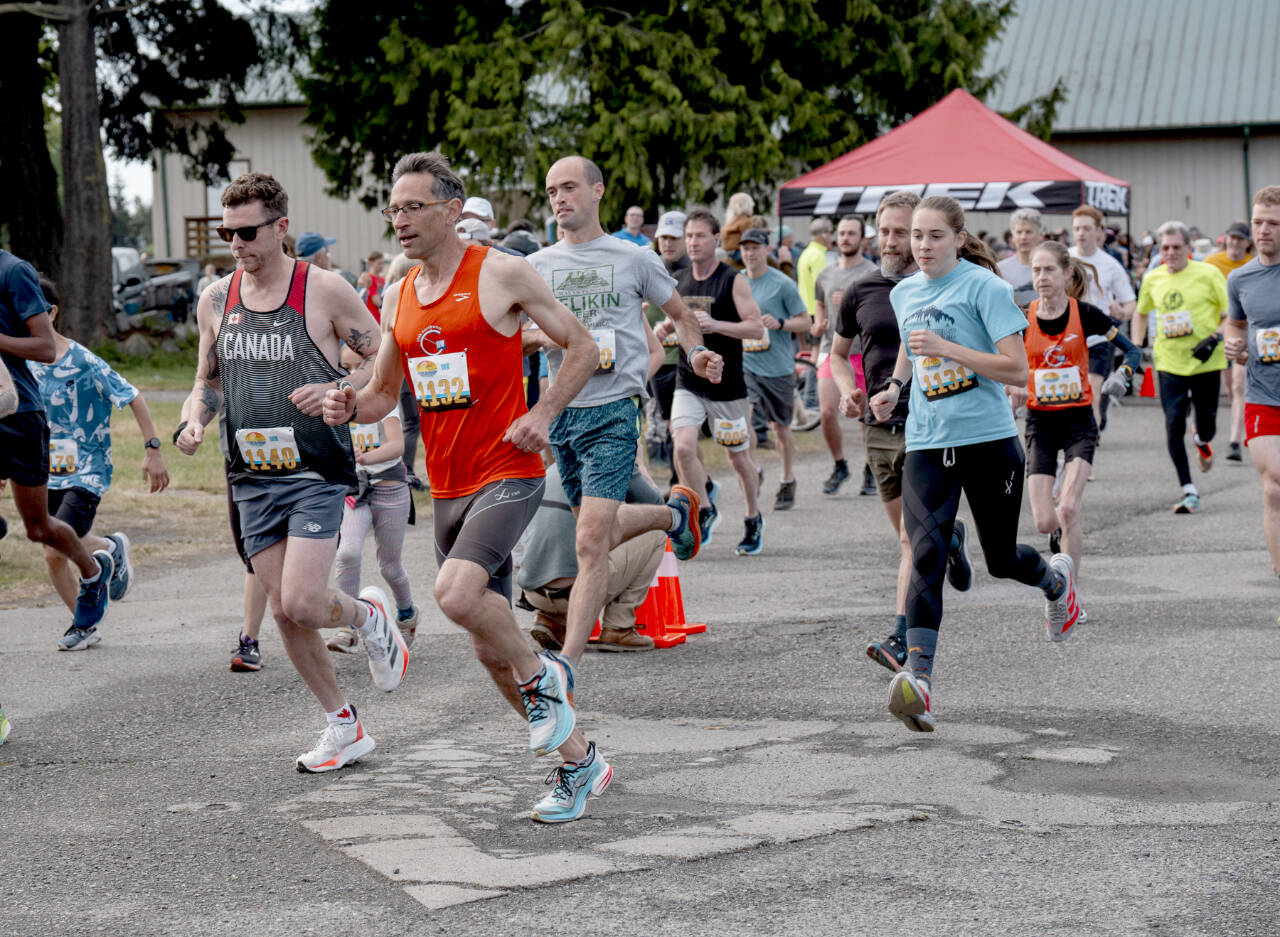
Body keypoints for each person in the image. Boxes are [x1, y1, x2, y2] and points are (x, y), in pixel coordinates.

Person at [324, 150, 615, 822]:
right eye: (393, 208)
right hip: (447, 485)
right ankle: (582, 763)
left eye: (413, 206)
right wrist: (347, 403)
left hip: (507, 470)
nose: (400, 219)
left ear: (452, 210)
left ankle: (545, 684)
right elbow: (383, 395)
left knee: (455, 595)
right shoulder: (396, 296)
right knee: (488, 647)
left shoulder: (501, 273)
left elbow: (583, 346)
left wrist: (543, 413)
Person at [176, 171, 408, 774]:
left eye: (247, 231)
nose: (236, 244)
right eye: (227, 233)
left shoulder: (325, 289)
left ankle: (370, 616)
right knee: (283, 610)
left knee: (303, 603)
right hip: (251, 476)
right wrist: (193, 420)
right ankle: (343, 725)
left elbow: (381, 364)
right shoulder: (215, 298)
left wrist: (340, 389)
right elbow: (207, 379)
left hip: (315, 470)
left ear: (281, 228)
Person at [868, 195, 1080, 733]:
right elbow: (911, 354)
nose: (922, 246)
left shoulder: (986, 288)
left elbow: (1016, 369)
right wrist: (895, 388)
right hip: (925, 441)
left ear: (959, 238)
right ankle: (921, 683)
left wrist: (950, 347)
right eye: (916, 236)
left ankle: (1056, 584)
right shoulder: (905, 292)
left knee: (1003, 558)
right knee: (924, 554)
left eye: (934, 236)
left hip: (988, 441)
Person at [529, 155, 720, 673]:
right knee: (593, 531)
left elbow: (680, 316)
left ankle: (567, 661)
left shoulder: (633, 258)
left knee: (591, 539)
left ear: (597, 191)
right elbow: (517, 336)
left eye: (569, 187)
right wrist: (556, 339)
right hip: (562, 413)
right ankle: (674, 514)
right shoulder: (538, 265)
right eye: (551, 191)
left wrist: (697, 354)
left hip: (614, 410)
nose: (559, 198)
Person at [833, 191, 974, 673]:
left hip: (929, 424)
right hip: (878, 426)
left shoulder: (940, 286)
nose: (895, 241)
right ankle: (950, 538)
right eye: (888, 231)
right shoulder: (860, 290)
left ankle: (901, 637)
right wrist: (847, 388)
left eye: (905, 232)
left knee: (913, 542)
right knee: (906, 537)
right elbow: (835, 353)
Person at [30, 276, 171, 629]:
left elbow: (133, 395)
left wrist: (152, 449)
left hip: (87, 470)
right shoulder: (22, 364)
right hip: (45, 470)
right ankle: (102, 569)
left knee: (55, 548)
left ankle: (83, 624)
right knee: (58, 552)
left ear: (51, 312)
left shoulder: (83, 361)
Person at [1008, 241, 1140, 603]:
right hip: (1040, 424)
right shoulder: (1021, 317)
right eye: (1036, 270)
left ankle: (1070, 597)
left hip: (1080, 421)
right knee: (1044, 522)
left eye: (1049, 269)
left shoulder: (1087, 314)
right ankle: (1056, 542)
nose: (1042, 277)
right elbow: (1002, 360)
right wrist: (1011, 386)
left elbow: (1131, 349)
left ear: (1067, 273)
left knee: (1068, 509)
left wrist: (1123, 375)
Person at [0, 248, 114, 649]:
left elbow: (45, 349)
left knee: (38, 528)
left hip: (18, 415)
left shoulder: (13, 272)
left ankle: (92, 573)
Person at [661, 209, 766, 555]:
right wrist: (665, 329)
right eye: (689, 236)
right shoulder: (678, 280)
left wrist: (717, 325)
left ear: (716, 240)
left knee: (738, 458)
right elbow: (673, 320)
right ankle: (705, 508)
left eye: (700, 236)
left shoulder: (732, 279)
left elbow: (755, 327)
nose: (692, 242)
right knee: (683, 448)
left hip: (727, 385)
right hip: (688, 380)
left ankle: (752, 516)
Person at [326, 345, 419, 654]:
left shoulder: (384, 403)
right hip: (355, 493)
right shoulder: (338, 406)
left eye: (358, 367)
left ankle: (407, 613)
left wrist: (365, 458)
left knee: (390, 566)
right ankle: (348, 625)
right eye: (345, 368)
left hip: (390, 489)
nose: (351, 376)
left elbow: (397, 447)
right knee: (347, 554)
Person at [1134, 221, 1229, 514]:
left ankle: (1202, 439)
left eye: (1176, 247)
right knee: (1173, 425)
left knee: (1208, 424)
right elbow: (1140, 313)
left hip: (1206, 362)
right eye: (1165, 248)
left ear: (1188, 248)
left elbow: (1231, 315)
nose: (1171, 253)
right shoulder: (1153, 278)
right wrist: (1136, 348)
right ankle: (1188, 490)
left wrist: (1214, 338)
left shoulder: (1208, 273)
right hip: (1169, 362)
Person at [518, 464, 664, 652]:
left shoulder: (553, 468)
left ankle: (550, 618)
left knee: (566, 537)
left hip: (532, 592)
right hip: (578, 593)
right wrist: (642, 469)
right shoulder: (613, 460)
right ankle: (618, 627)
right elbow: (656, 506)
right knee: (655, 530)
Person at [1223, 186, 1280, 579]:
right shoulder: (1240, 278)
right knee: (1274, 484)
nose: (1263, 230)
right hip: (1264, 393)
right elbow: (1237, 322)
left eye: (1273, 223)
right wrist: (1234, 344)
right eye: (1258, 222)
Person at [739, 228, 809, 509]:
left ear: (767, 250)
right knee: (745, 419)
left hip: (777, 366)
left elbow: (805, 322)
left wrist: (780, 323)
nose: (750, 253)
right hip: (745, 364)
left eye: (755, 247)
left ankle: (787, 478)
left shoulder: (782, 284)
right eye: (745, 248)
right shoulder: (738, 282)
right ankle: (754, 468)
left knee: (780, 428)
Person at [812, 215, 875, 495]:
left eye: (852, 233)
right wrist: (819, 322)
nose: (846, 238)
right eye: (842, 233)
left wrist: (851, 300)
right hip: (832, 350)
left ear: (862, 239)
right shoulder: (825, 273)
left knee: (864, 416)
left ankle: (871, 468)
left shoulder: (872, 273)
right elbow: (819, 303)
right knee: (826, 411)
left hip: (864, 352)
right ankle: (840, 465)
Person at [1070, 205, 1137, 435]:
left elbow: (1130, 303)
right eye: (1077, 228)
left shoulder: (1110, 265)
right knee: (1070, 394)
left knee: (1092, 390)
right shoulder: (1064, 258)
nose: (1081, 233)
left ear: (1099, 231)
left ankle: (1087, 450)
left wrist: (1122, 312)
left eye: (1086, 228)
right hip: (1067, 336)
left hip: (1099, 337)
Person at [1206, 221, 1255, 461]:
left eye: (1240, 238)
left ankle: (1234, 441)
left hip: (1241, 331)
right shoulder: (1211, 264)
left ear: (1248, 243)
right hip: (1214, 334)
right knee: (1230, 388)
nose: (1235, 242)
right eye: (1231, 237)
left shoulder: (1253, 266)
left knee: (1238, 385)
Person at [996, 208, 1044, 309]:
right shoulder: (1000, 270)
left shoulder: (1050, 267)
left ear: (1040, 236)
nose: (1023, 237)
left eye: (1028, 232)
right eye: (1019, 232)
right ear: (1013, 237)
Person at [797, 218, 831, 322]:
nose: (831, 236)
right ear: (824, 234)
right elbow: (822, 286)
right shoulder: (818, 255)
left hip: (805, 309)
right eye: (830, 232)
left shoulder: (806, 252)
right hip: (816, 312)